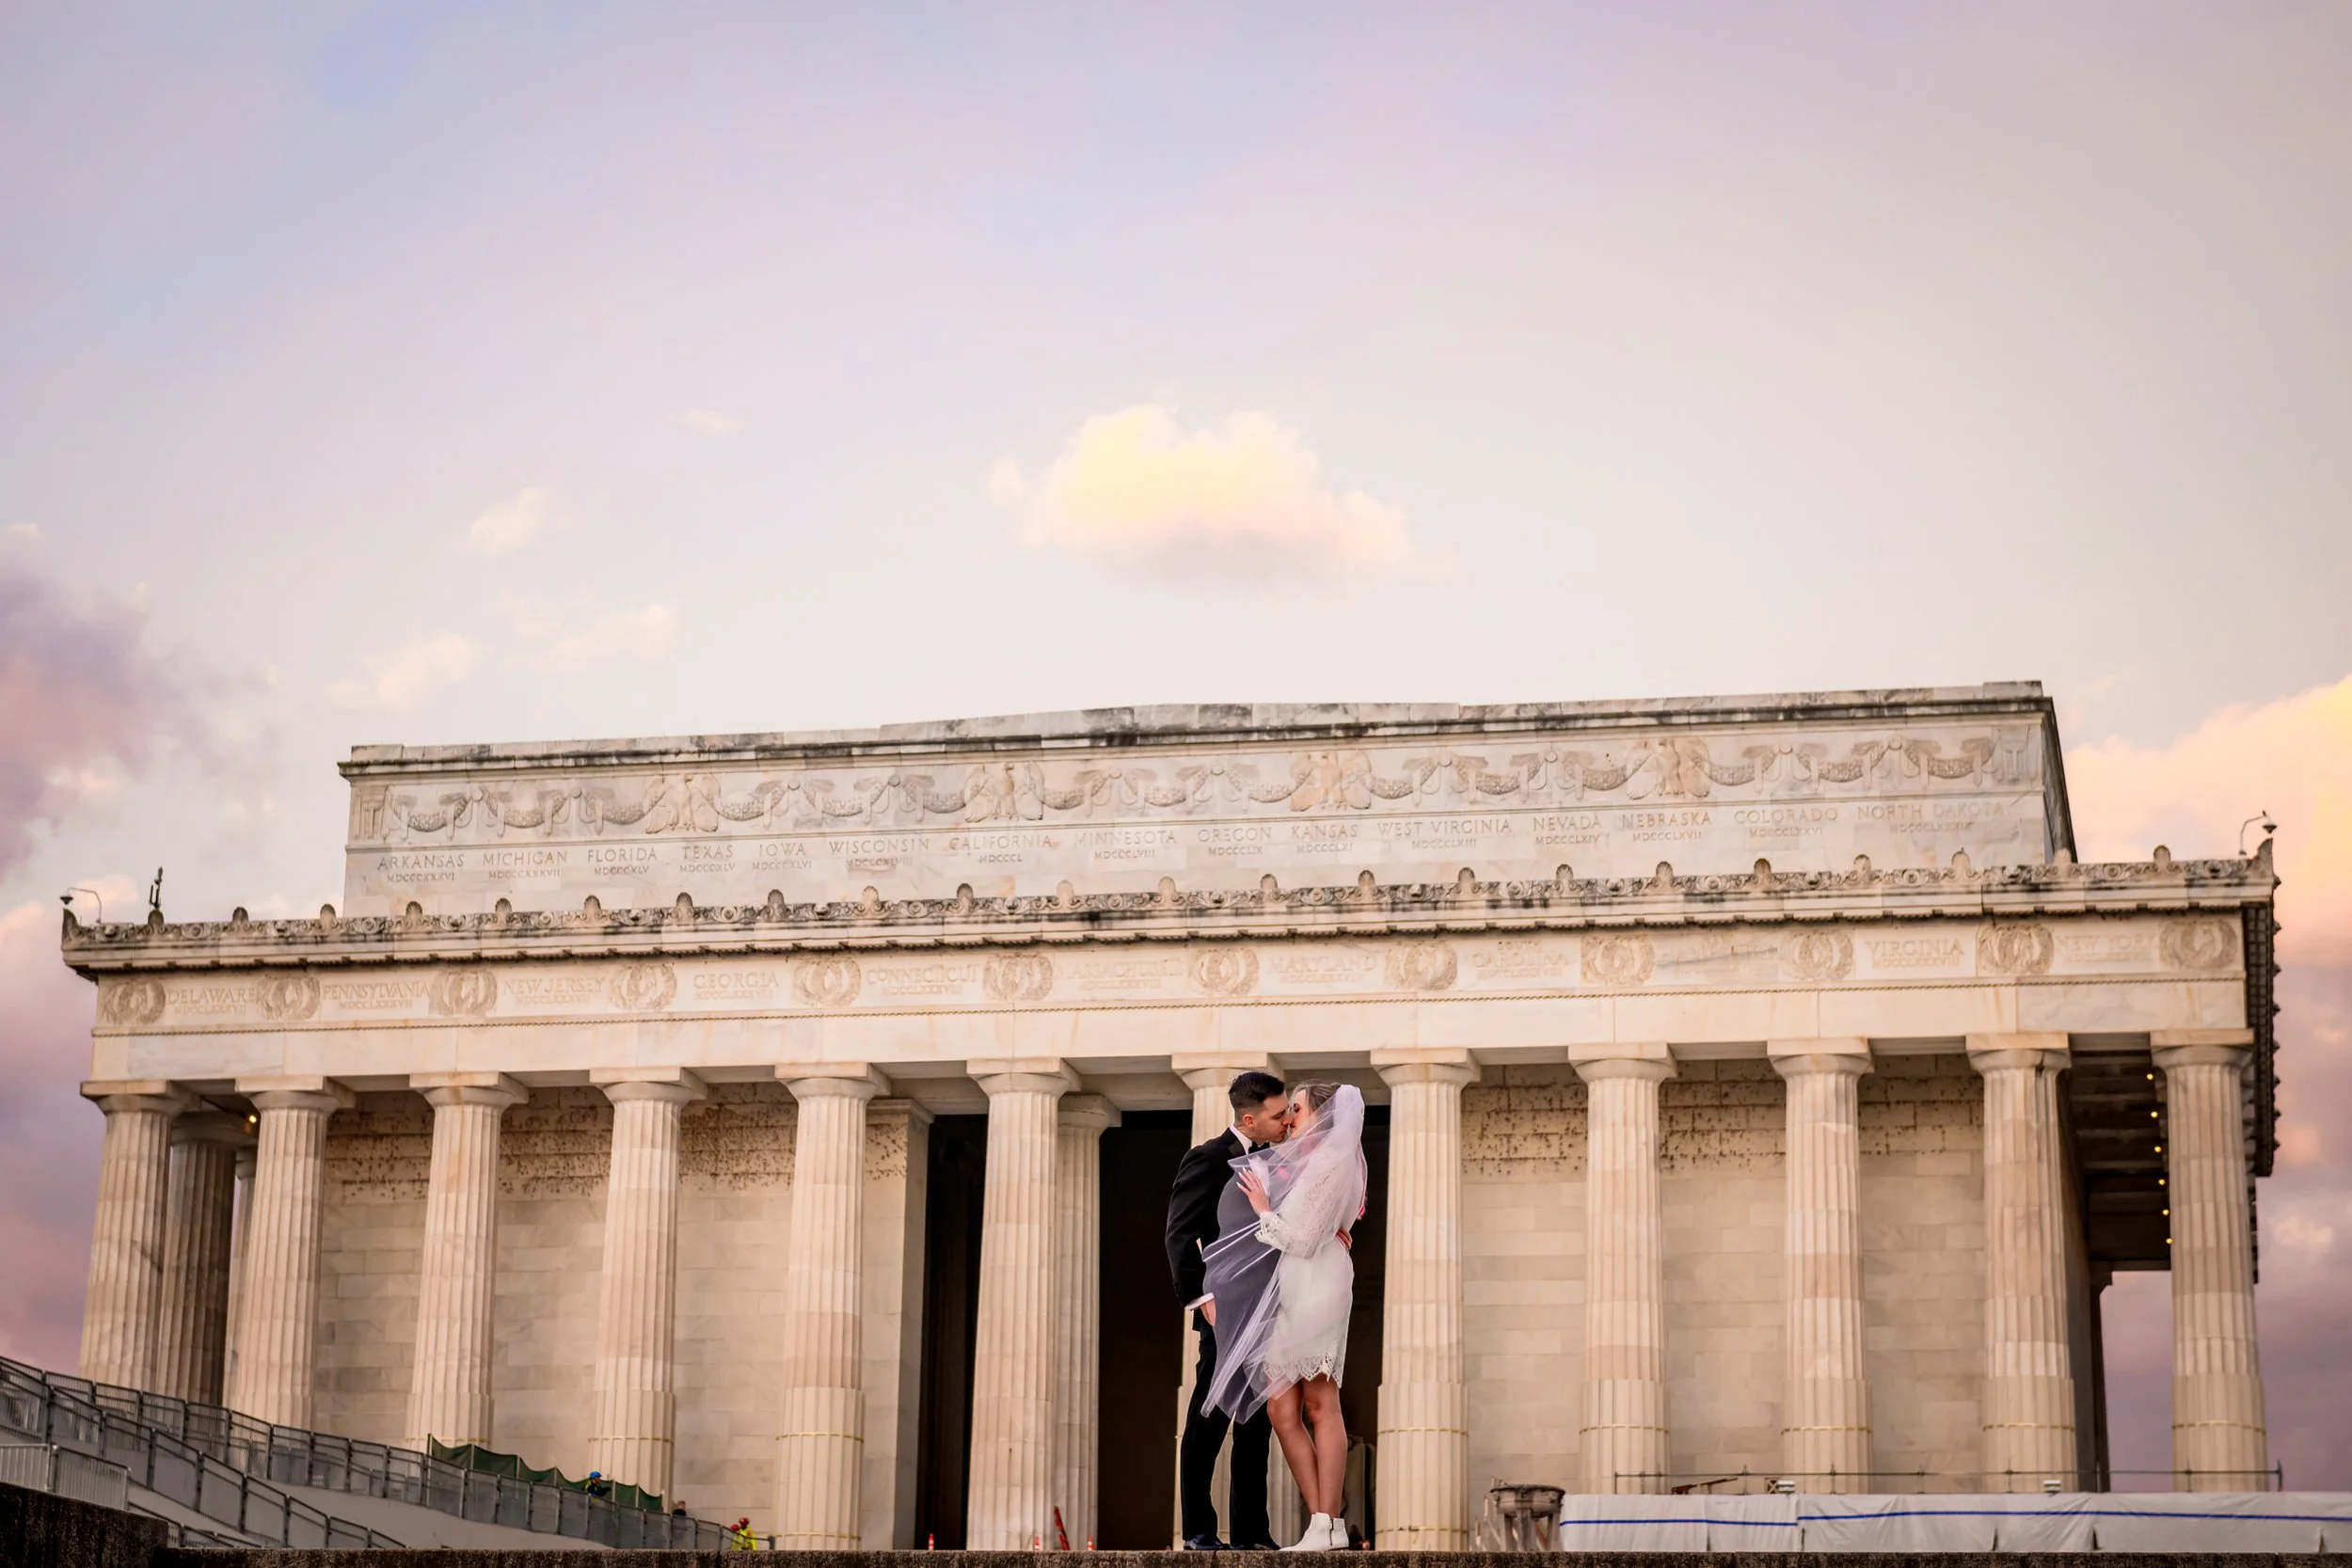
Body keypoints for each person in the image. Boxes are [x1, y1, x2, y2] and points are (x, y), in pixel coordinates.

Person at [1200, 1082, 1366, 1553]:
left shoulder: (1331, 1162)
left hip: (1318, 1283)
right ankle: (1324, 1522)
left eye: (1297, 1109)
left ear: (1323, 1116)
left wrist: (1262, 1210)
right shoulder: (1310, 1164)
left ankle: (1326, 1523)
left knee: (1320, 1401)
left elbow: (1303, 1240)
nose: (1290, 1117)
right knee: (1280, 1408)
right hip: (1294, 1288)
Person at [1164, 1069, 1294, 1551]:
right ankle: (1198, 1530)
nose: (1286, 1122)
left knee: (1256, 1419)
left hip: (1268, 1307)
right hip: (1224, 1309)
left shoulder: (1279, 1159)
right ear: (1249, 1119)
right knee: (1209, 1416)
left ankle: (1251, 1532)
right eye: (1278, 1115)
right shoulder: (1207, 1158)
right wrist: (1201, 1298)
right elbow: (1179, 1234)